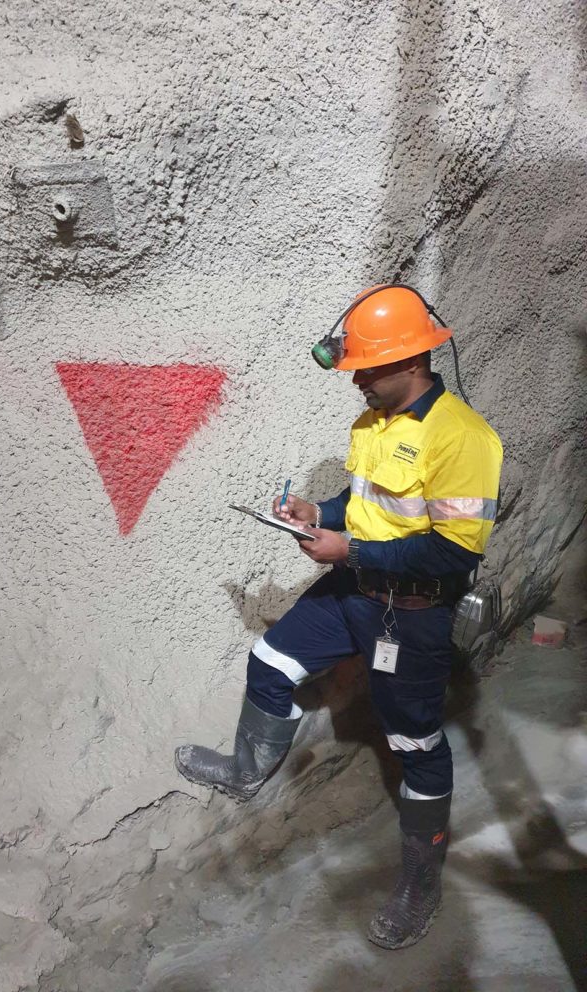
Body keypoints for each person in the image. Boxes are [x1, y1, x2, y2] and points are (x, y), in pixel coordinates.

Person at [174, 284, 503, 949]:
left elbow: (450, 551)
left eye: (369, 367)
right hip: (353, 592)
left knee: (414, 742)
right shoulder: (372, 424)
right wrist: (315, 516)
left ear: (414, 361)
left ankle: (421, 882)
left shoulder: (463, 438)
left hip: (411, 615)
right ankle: (244, 772)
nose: (356, 379)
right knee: (270, 660)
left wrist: (346, 548)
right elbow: (360, 501)